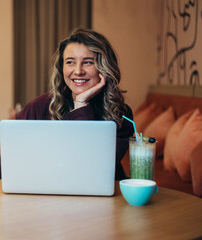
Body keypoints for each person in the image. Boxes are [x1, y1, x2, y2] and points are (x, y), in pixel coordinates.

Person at [16, 28, 134, 180]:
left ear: (104, 67)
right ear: (62, 68)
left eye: (88, 62)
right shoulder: (39, 106)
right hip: (45, 192)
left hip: (100, 195)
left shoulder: (120, 114)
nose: (78, 71)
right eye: (70, 62)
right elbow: (12, 158)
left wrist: (81, 105)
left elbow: (89, 169)